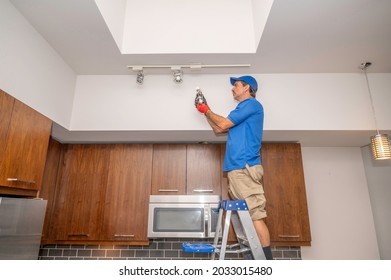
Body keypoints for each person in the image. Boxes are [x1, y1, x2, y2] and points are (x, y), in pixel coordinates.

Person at [195, 76, 272, 260]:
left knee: (255, 215)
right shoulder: (241, 112)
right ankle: (255, 259)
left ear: (247, 88)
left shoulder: (251, 104)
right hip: (237, 169)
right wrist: (206, 112)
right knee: (249, 216)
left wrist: (207, 110)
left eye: (236, 85)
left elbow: (222, 123)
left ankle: (268, 263)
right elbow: (219, 130)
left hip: (244, 167)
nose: (232, 89)